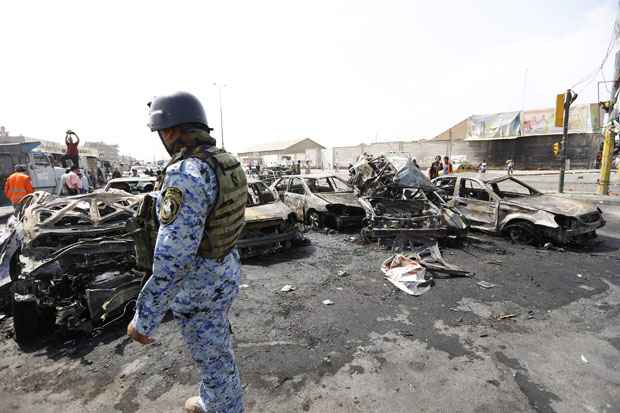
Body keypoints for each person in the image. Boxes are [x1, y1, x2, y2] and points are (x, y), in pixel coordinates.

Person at [127, 91, 246, 413]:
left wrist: (145, 318)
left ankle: (224, 408)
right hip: (225, 272)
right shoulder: (225, 161)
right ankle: (212, 401)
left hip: (200, 286)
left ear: (171, 131)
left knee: (213, 357)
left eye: (161, 133)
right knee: (216, 348)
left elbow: (174, 255)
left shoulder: (186, 173)